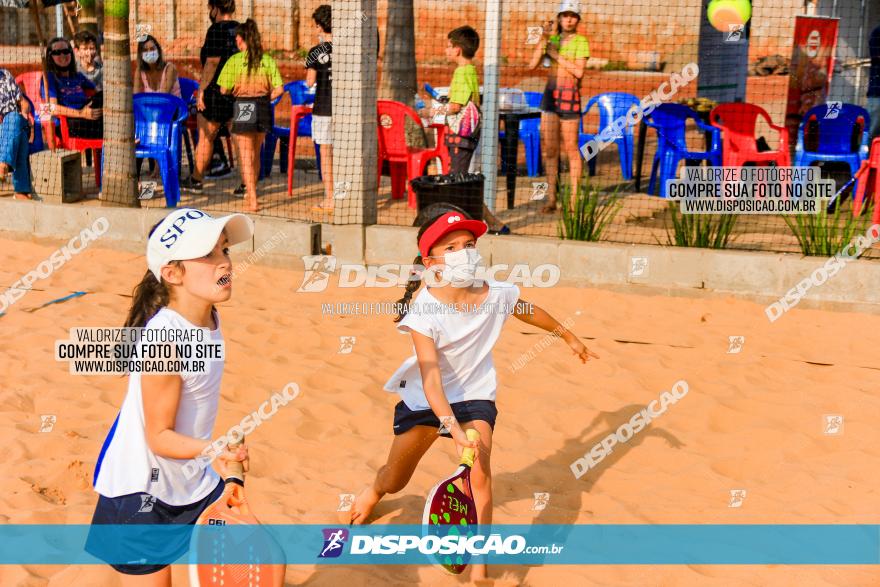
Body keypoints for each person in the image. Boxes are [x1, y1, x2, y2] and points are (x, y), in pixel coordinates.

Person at [348, 210, 598, 581]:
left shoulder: (494, 292)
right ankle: (374, 491)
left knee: (480, 473)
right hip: (426, 402)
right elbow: (432, 382)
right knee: (395, 478)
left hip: (475, 395)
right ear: (430, 261)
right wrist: (449, 427)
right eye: (451, 247)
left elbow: (527, 310)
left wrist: (567, 335)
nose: (464, 253)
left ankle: (480, 563)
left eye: (469, 245)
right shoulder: (424, 312)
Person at [85, 208, 256, 585]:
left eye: (224, 250)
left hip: (188, 478)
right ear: (172, 273)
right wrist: (217, 449)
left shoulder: (207, 316)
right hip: (142, 494)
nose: (224, 262)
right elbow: (158, 437)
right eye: (208, 254)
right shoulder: (165, 338)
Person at [422, 25, 509, 234]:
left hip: (460, 137)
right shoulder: (470, 71)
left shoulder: (461, 72)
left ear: (458, 49)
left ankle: (471, 224)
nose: (446, 50)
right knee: (460, 181)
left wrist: (432, 110)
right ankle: (490, 222)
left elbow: (456, 106)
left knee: (457, 181)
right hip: (464, 137)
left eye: (448, 46)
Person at [528, 0, 589, 214]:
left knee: (571, 148)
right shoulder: (551, 39)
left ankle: (573, 200)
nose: (569, 19)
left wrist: (555, 54)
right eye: (565, 15)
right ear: (559, 18)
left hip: (570, 97)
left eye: (573, 15)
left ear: (577, 19)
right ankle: (551, 199)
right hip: (550, 98)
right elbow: (532, 64)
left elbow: (579, 72)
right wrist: (543, 39)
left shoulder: (581, 41)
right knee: (551, 150)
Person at [217, 19, 283, 212]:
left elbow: (223, 90)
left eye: (237, 36)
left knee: (245, 155)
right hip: (263, 105)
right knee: (255, 152)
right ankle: (252, 192)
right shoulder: (266, 60)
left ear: (241, 39)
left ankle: (253, 198)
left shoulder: (235, 60)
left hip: (244, 105)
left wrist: (237, 89)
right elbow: (279, 89)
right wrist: (265, 97)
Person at [181, 0, 239, 193]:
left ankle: (196, 180)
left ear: (215, 8)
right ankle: (248, 185)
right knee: (240, 138)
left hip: (216, 93)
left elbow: (212, 64)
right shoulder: (241, 29)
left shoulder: (216, 30)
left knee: (206, 137)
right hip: (239, 92)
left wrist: (202, 91)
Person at [40, 37, 103, 142]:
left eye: (66, 51)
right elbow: (51, 108)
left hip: (88, 118)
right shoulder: (48, 78)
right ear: (50, 57)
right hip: (67, 124)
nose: (62, 55)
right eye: (57, 52)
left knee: (105, 96)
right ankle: (117, 138)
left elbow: (97, 93)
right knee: (104, 125)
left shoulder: (77, 76)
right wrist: (81, 113)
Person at [306, 4, 334, 212]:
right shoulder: (346, 49)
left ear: (319, 26)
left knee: (326, 154)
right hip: (344, 111)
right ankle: (342, 197)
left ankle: (330, 198)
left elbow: (309, 82)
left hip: (323, 108)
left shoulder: (315, 52)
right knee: (344, 155)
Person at [0, 68, 33, 200]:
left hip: (12, 124)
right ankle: (21, 190)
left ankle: (3, 163)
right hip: (5, 125)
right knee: (18, 131)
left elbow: (22, 102)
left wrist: (25, 111)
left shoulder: (5, 74)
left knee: (17, 123)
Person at [868, 24, 880, 140]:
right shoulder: (877, 32)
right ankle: (869, 155)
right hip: (877, 92)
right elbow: (876, 55)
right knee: (873, 130)